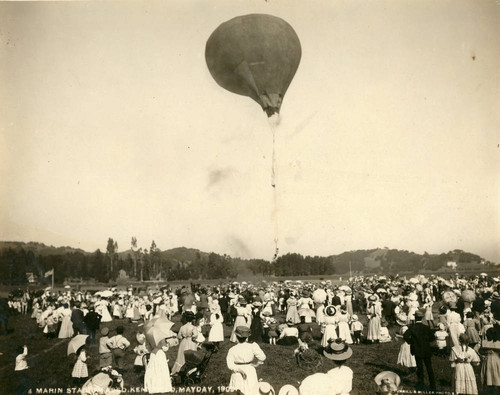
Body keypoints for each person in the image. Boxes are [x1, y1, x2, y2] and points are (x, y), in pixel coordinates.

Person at [226, 326, 266, 395]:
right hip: (249, 370)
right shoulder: (252, 346)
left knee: (237, 390)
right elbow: (263, 357)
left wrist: (239, 370)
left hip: (237, 371)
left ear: (236, 336)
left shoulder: (232, 349)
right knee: (251, 390)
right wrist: (257, 363)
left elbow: (230, 364)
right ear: (247, 337)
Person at [403, 310, 436, 391]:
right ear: (422, 318)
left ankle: (421, 384)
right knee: (429, 368)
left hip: (417, 350)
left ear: (415, 317)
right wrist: (427, 341)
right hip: (426, 350)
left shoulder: (412, 327)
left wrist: (411, 342)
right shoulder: (426, 327)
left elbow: (405, 336)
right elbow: (432, 337)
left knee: (420, 367)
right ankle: (433, 386)